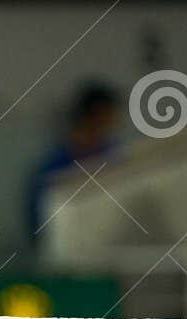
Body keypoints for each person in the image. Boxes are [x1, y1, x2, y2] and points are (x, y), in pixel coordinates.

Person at [26, 81, 121, 239]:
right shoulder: (52, 169)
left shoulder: (113, 157)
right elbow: (39, 226)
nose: (112, 127)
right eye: (108, 120)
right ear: (94, 118)